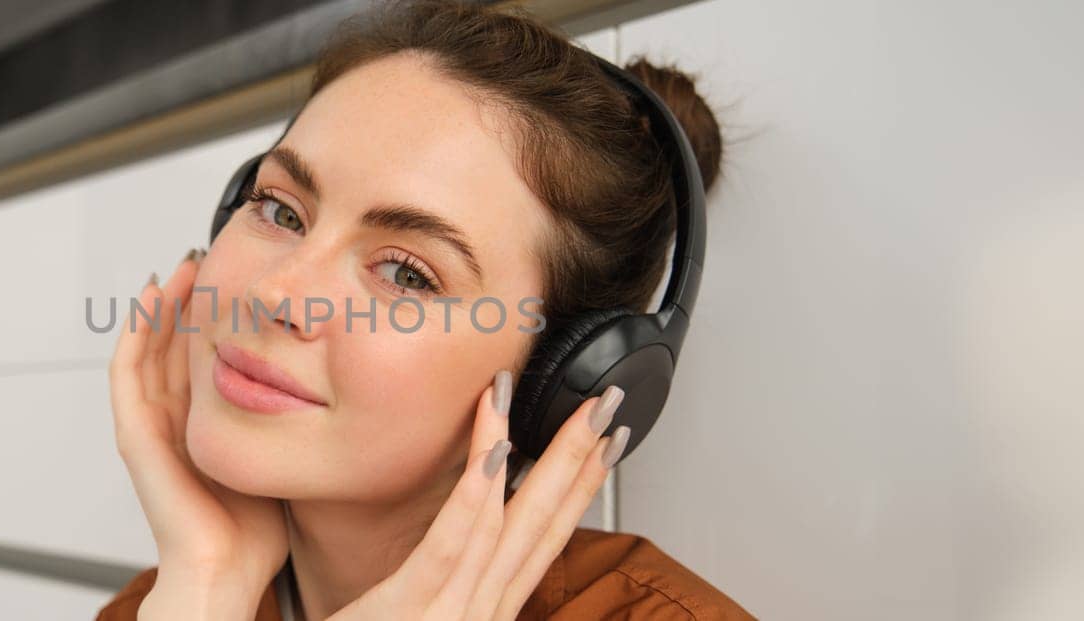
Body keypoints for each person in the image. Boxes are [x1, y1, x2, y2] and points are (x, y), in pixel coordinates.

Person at [99, 0, 750, 618]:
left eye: (406, 273)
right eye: (280, 210)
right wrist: (206, 585)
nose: (272, 296)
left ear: (566, 377)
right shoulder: (168, 602)